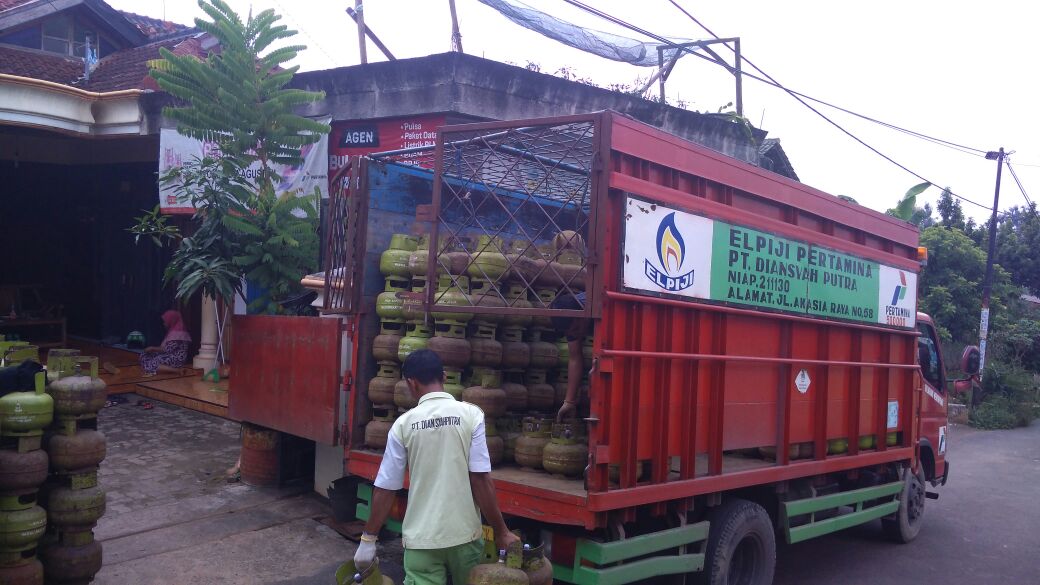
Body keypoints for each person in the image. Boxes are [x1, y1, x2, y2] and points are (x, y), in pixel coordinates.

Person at [355, 349, 519, 585]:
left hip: (422, 543)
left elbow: (386, 487)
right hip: (465, 538)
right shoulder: (472, 415)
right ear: (443, 376)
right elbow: (480, 479)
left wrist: (368, 540)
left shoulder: (403, 425)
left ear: (411, 384)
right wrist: (502, 531)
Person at [550, 292, 589, 421]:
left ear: (582, 314)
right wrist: (569, 402)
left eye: (577, 328)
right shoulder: (569, 319)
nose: (575, 334)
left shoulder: (599, 306)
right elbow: (574, 357)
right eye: (570, 333)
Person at [139, 309, 192, 376]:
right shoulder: (173, 331)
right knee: (145, 355)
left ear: (172, 320)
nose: (164, 324)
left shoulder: (178, 334)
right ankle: (158, 368)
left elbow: (167, 350)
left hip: (177, 358)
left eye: (165, 321)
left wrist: (152, 348)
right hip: (170, 355)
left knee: (155, 361)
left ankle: (177, 370)